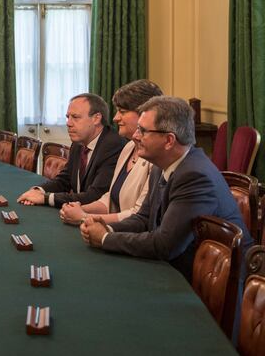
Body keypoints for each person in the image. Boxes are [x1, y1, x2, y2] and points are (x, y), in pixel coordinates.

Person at [81, 96, 253, 281]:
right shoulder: (160, 165)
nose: (136, 136)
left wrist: (105, 238)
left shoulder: (195, 176)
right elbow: (144, 218)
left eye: (143, 131)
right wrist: (108, 228)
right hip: (178, 267)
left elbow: (166, 245)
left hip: (216, 282)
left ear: (169, 140)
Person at [60, 80, 162, 225]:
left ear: (144, 114)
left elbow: (139, 215)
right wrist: (79, 209)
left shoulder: (155, 157)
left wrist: (84, 217)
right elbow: (110, 199)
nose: (115, 118)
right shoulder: (128, 148)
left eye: (123, 111)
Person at [17, 93, 126, 208]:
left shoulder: (113, 145)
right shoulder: (78, 143)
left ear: (96, 118)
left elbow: (96, 196)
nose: (68, 123)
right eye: (68, 117)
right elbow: (65, 179)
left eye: (75, 117)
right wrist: (39, 190)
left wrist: (46, 198)